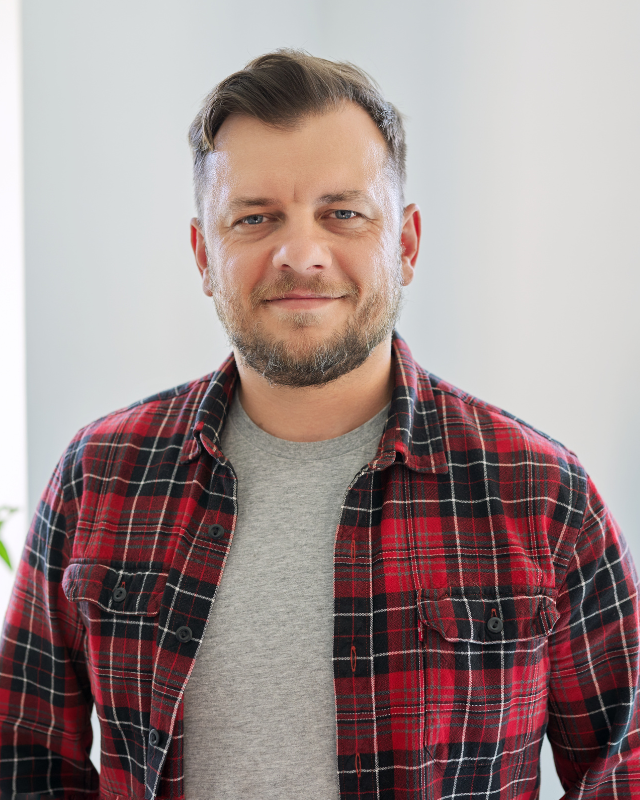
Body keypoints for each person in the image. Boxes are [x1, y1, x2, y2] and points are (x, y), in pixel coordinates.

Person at [1, 49, 638, 800]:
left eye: (342, 213)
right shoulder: (99, 477)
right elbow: (27, 764)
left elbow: (621, 770)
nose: (300, 254)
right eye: (255, 217)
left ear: (404, 243)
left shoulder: (543, 496)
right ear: (205, 254)